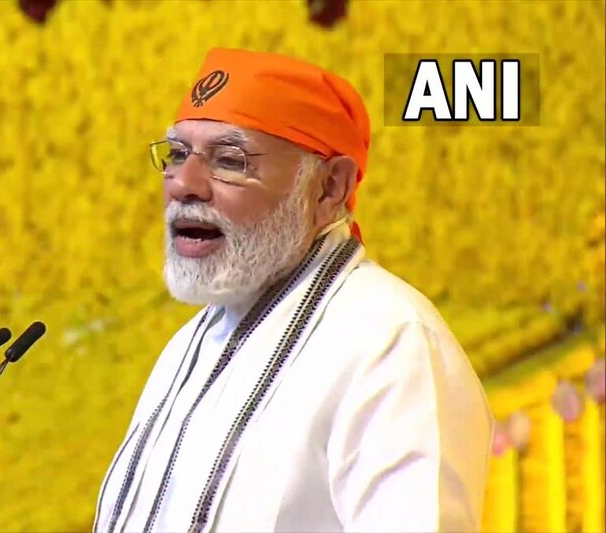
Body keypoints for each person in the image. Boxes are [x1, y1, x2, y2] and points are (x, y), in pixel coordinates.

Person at [93, 48, 493, 533]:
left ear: (328, 188)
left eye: (229, 160)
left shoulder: (392, 344)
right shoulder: (189, 346)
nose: (184, 184)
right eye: (177, 155)